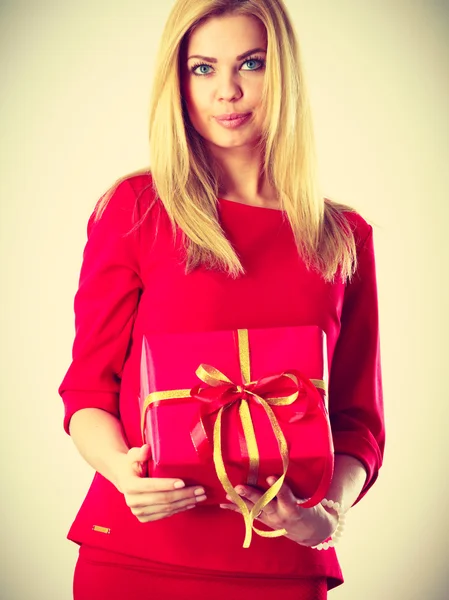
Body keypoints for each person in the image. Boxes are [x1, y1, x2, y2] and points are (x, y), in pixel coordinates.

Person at [58, 1, 385, 598]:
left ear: (282, 73)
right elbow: (86, 391)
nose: (228, 91)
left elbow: (359, 423)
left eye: (251, 64)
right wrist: (122, 473)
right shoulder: (135, 210)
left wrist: (322, 518)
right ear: (176, 81)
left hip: (280, 568)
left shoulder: (344, 236)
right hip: (136, 556)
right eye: (202, 68)